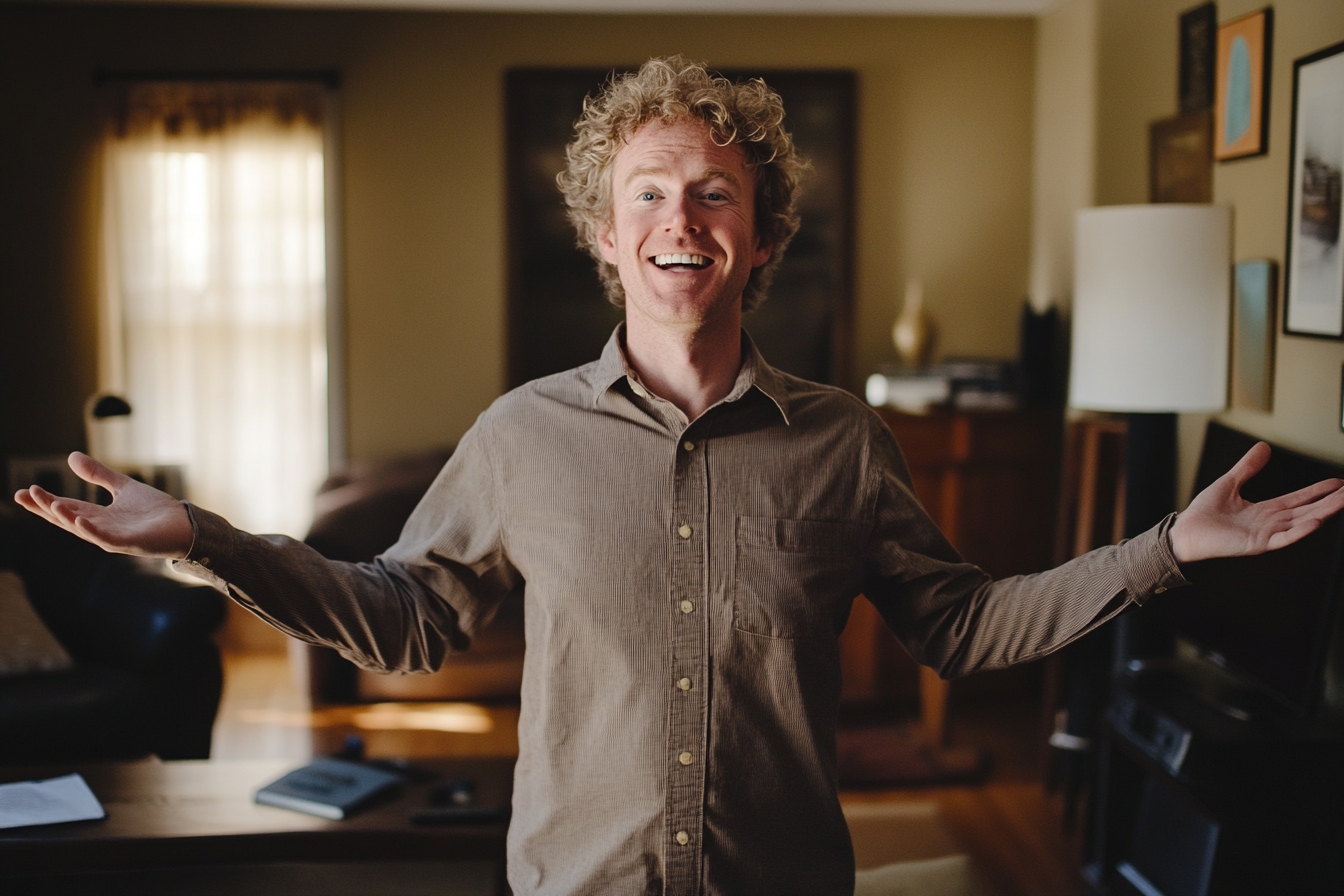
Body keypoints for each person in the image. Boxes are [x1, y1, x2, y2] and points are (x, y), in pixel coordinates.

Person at [16, 57, 1344, 896]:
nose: (681, 221)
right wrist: (202, 537)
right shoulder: (523, 436)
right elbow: (408, 621)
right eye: (648, 193)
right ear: (606, 236)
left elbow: (966, 623)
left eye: (714, 193)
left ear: (761, 237)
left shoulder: (842, 441)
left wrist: (1170, 546)